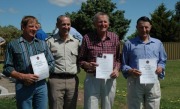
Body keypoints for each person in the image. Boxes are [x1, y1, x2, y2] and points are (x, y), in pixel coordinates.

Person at [2, 15, 55, 109]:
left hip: (41, 86)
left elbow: (51, 63)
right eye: (31, 26)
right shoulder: (13, 45)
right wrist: (23, 76)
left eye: (36, 27)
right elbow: (7, 68)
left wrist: (41, 73)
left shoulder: (43, 44)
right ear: (23, 27)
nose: (34, 29)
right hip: (23, 86)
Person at [121, 16, 167, 109]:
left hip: (152, 80)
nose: (144, 29)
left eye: (146, 27)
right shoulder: (128, 44)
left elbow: (162, 60)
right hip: (135, 80)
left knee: (153, 105)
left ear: (150, 27)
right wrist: (130, 71)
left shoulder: (158, 43)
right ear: (137, 27)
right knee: (135, 106)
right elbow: (123, 64)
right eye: (141, 27)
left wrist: (160, 67)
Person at [79, 12, 121, 109]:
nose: (103, 24)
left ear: (108, 24)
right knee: (90, 105)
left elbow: (118, 59)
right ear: (94, 24)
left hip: (109, 78)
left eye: (105, 22)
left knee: (107, 106)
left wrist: (116, 69)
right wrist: (88, 65)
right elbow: (80, 60)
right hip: (92, 78)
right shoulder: (87, 38)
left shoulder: (114, 37)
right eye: (100, 22)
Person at [46, 15, 80, 109]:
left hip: (72, 81)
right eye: (63, 24)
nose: (66, 27)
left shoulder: (76, 42)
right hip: (55, 80)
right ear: (57, 25)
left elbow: (80, 60)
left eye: (68, 24)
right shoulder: (49, 42)